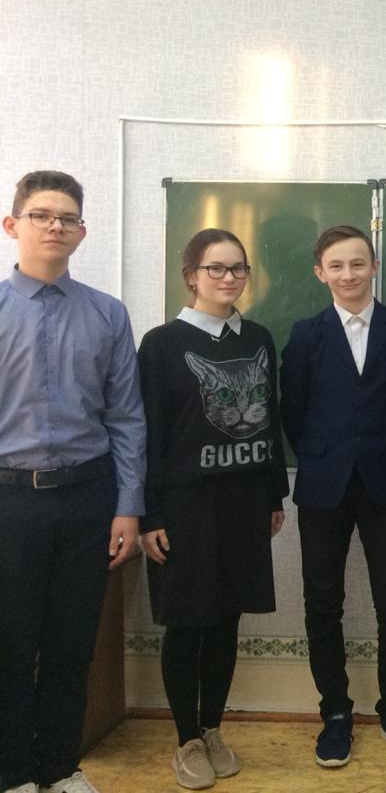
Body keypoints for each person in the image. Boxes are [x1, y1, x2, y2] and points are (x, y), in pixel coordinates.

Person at [0, 171, 146, 793]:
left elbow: (126, 417)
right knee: (9, 645)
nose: (55, 226)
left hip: (89, 498)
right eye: (41, 215)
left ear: (82, 232)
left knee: (71, 642)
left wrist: (128, 507)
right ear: (12, 225)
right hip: (9, 500)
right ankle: (12, 774)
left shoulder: (107, 314)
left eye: (67, 217)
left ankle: (59, 768)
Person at [137, 229, 289, 790]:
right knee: (187, 623)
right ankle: (186, 739)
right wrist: (149, 515)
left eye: (238, 268)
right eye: (216, 268)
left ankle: (213, 728)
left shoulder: (259, 338)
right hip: (183, 508)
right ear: (191, 275)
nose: (229, 278)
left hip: (245, 504)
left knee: (227, 619)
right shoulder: (161, 344)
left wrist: (274, 495)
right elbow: (147, 434)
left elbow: (270, 420)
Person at [280, 225, 386, 768]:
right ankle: (336, 713)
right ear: (320, 272)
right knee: (323, 603)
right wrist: (327, 455)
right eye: (337, 266)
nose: (349, 274)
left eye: (358, 263)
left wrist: (385, 455)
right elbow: (292, 412)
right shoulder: (305, 334)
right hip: (323, 485)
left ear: (374, 267)